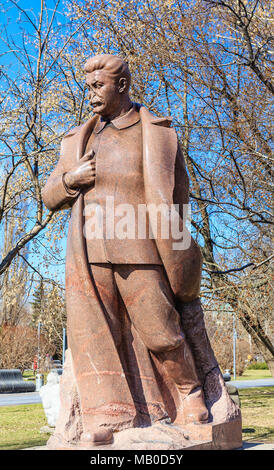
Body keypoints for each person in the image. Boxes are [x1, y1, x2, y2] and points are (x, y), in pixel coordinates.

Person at [42, 55, 236, 448]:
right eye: (88, 86)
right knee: (101, 337)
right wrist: (70, 178)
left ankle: (189, 392)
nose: (90, 94)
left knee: (161, 330)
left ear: (123, 85)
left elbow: (178, 201)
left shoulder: (158, 133)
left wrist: (179, 253)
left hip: (142, 248)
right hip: (91, 252)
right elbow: (49, 196)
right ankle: (110, 417)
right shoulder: (78, 139)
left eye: (98, 86)